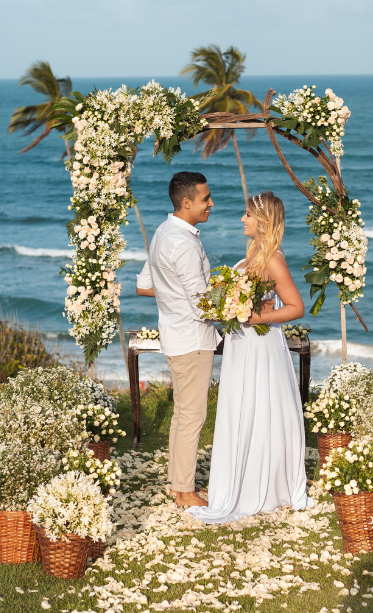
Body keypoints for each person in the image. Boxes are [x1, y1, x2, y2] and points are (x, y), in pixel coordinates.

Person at [186, 191, 313, 524]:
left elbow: (296, 307)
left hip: (259, 345)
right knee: (240, 407)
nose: (242, 219)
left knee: (260, 406)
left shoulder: (272, 258)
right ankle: (239, 478)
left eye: (247, 214)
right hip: (240, 344)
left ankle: (265, 483)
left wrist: (257, 318)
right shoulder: (252, 254)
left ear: (263, 221)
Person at [136, 171, 220, 508]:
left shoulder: (162, 232)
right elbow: (202, 304)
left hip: (176, 333)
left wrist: (172, 295)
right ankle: (185, 492)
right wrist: (238, 308)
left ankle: (177, 485)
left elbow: (144, 284)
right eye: (205, 198)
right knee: (193, 416)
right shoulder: (183, 242)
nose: (211, 203)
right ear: (186, 202)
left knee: (182, 413)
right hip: (193, 338)